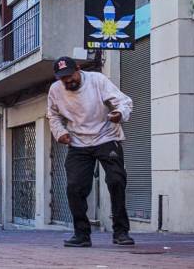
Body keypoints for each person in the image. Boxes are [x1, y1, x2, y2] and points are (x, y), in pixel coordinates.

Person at [46, 56, 135, 248]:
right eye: (63, 78)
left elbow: (124, 101)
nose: (68, 81)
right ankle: (81, 234)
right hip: (78, 142)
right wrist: (60, 133)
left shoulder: (97, 80)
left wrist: (119, 114)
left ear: (78, 69)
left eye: (70, 76)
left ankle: (121, 232)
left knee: (116, 181)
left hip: (107, 137)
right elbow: (53, 115)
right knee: (75, 188)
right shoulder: (55, 90)